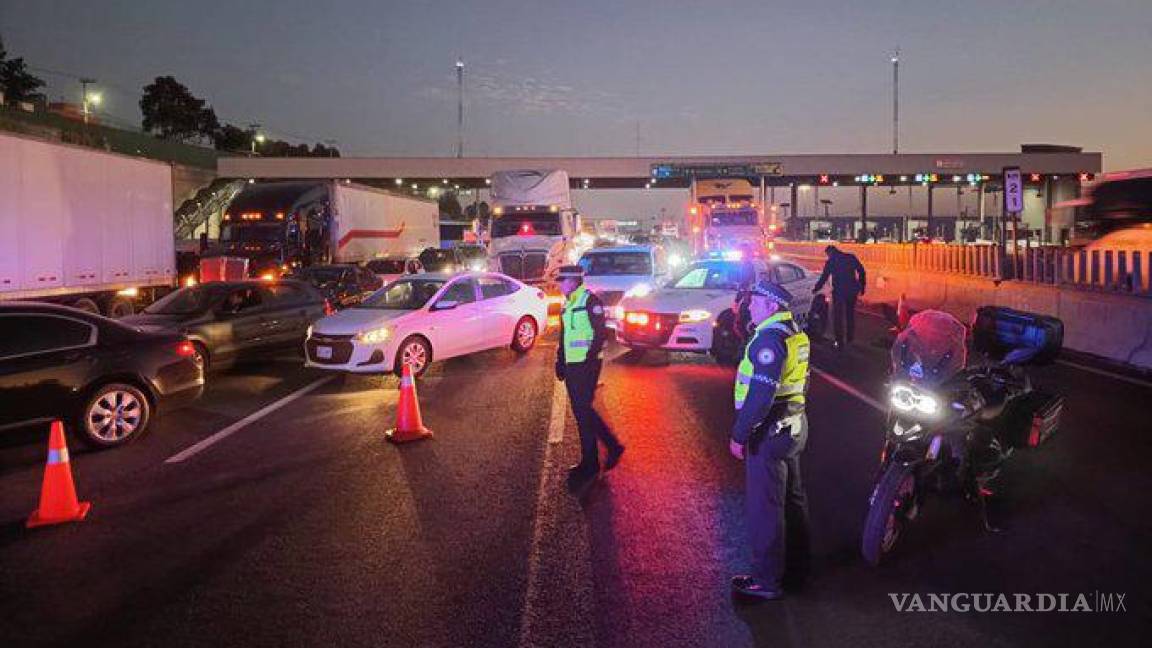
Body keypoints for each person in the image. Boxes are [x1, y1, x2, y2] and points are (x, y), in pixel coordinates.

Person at [729, 280, 811, 601]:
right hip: (794, 424)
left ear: (772, 306)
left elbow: (761, 395)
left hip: (770, 429)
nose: (750, 306)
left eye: (756, 302)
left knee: (766, 507)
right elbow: (802, 382)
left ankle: (765, 581)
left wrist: (740, 434)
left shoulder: (769, 339)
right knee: (793, 501)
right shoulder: (795, 333)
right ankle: (797, 570)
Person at [555, 265, 624, 488]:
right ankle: (592, 460)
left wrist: (588, 358)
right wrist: (561, 360)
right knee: (581, 413)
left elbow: (600, 333)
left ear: (573, 280)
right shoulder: (569, 302)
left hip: (586, 364)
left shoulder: (589, 301)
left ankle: (604, 452)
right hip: (573, 364)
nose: (558, 284)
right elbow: (564, 335)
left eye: (561, 280)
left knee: (583, 411)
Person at [813, 245, 866, 348]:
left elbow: (824, 277)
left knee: (838, 317)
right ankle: (850, 339)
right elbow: (861, 271)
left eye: (828, 255)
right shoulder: (850, 257)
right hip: (852, 291)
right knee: (850, 315)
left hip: (839, 292)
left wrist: (816, 288)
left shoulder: (831, 262)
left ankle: (839, 342)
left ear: (830, 253)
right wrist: (862, 286)